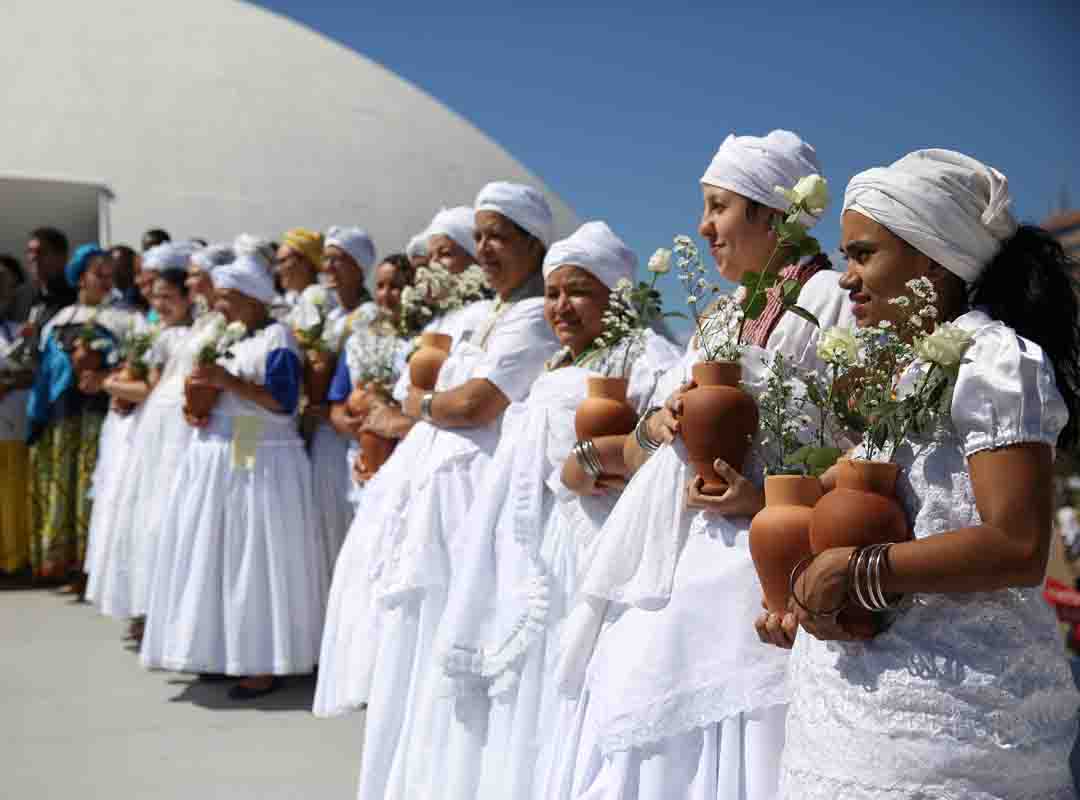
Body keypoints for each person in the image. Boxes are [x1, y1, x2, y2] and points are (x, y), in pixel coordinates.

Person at [751, 149, 1080, 799]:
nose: (846, 278)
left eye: (863, 254)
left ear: (932, 258)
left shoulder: (994, 358)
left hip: (949, 717)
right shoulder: (912, 371)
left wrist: (857, 570)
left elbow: (1017, 546)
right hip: (859, 712)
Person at [542, 130, 854, 800]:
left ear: (772, 214)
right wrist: (656, 427)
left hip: (761, 563)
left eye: (718, 207)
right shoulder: (717, 316)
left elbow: (866, 448)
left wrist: (765, 499)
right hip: (673, 556)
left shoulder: (831, 300)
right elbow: (646, 451)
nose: (703, 226)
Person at [427, 222, 680, 800]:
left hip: (586, 547)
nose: (561, 306)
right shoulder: (561, 361)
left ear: (615, 295)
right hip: (535, 543)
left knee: (566, 683)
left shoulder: (646, 356)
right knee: (525, 686)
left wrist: (595, 461)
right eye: (553, 293)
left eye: (579, 291)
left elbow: (661, 444)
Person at [355, 183, 561, 800]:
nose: (486, 248)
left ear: (533, 243)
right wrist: (428, 407)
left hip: (478, 506)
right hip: (440, 502)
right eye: (482, 235)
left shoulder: (531, 318)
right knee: (420, 646)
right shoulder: (487, 314)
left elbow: (474, 405)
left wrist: (417, 404)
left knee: (459, 644)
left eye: (500, 235)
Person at [140, 249, 325, 700]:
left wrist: (226, 384)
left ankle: (264, 659)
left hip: (264, 452)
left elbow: (281, 401)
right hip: (226, 449)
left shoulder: (278, 338)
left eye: (226, 297)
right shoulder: (230, 336)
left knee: (257, 555)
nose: (217, 305)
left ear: (252, 297)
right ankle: (226, 650)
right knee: (224, 551)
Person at [313, 252, 415, 718]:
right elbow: (335, 404)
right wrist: (358, 430)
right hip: (363, 462)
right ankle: (365, 670)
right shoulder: (363, 340)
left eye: (399, 285)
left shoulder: (422, 341)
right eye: (384, 285)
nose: (390, 294)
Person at [87, 243, 195, 636]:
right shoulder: (156, 334)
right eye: (157, 297)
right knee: (146, 510)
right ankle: (145, 602)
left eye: (169, 297)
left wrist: (106, 383)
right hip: (154, 429)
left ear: (188, 298)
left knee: (169, 512)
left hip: (176, 427)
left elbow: (148, 388)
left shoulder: (188, 335)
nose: (161, 304)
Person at [26, 245, 133, 587]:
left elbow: (132, 364)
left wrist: (101, 369)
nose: (105, 280)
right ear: (80, 277)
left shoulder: (124, 318)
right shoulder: (59, 319)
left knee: (93, 484)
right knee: (62, 483)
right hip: (62, 414)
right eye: (97, 274)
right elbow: (44, 369)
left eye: (109, 275)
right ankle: (60, 561)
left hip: (99, 413)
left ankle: (91, 565)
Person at [300, 226, 379, 569]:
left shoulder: (370, 317)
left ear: (359, 267)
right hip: (320, 429)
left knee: (340, 520)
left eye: (337, 260)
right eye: (326, 260)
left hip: (344, 430)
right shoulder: (328, 316)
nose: (328, 268)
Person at [0, 254, 33, 574]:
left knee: (15, 493)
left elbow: (33, 371)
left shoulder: (19, 330)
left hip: (16, 423)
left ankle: (16, 559)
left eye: (6, 285)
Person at [274, 228, 323, 314]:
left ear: (306, 263)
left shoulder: (325, 304)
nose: (277, 269)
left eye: (283, 261)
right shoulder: (286, 305)